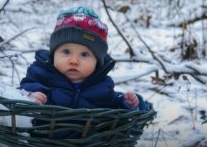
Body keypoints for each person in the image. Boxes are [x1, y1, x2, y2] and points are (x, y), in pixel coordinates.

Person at [19, 6, 152, 111]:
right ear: (54, 53)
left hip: (88, 143)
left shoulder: (101, 85)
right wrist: (30, 96)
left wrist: (126, 102)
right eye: (66, 52)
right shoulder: (41, 74)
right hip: (44, 140)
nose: (74, 61)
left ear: (97, 62)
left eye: (84, 54)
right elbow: (20, 91)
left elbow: (113, 105)